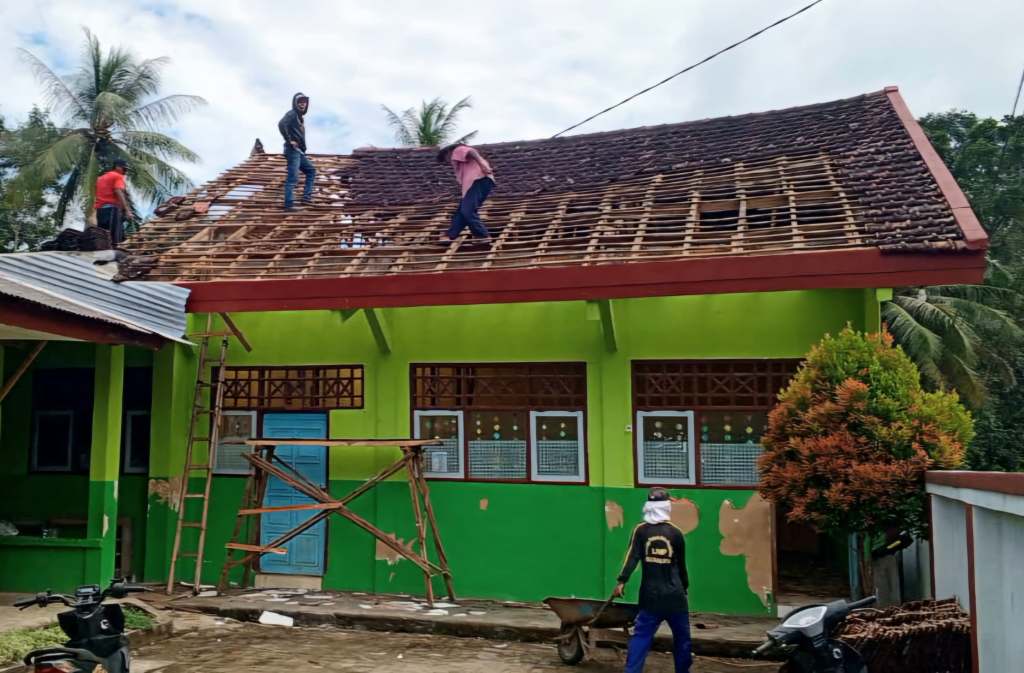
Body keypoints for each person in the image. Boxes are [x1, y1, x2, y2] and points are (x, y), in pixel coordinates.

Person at [614, 487, 692, 673]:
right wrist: (685, 588)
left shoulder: (640, 531)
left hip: (650, 597)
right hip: (676, 597)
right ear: (666, 507)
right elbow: (681, 565)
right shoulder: (676, 533)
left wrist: (621, 581)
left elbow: (631, 557)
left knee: (641, 637)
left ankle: (631, 671)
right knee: (682, 639)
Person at [437, 143, 495, 245]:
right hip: (478, 183)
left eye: (444, 156)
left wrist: (482, 164)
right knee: (462, 211)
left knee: (467, 210)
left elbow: (470, 151)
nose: (446, 160)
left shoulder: (457, 150)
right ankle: (450, 235)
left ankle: (482, 235)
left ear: (447, 152)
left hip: (478, 180)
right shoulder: (459, 162)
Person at [278, 92, 316, 210]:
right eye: (300, 102)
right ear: (295, 103)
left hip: (299, 151)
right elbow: (281, 124)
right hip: (292, 150)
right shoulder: (292, 113)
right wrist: (289, 140)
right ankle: (288, 205)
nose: (302, 104)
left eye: (304, 102)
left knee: (311, 170)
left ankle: (306, 197)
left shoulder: (300, 118)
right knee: (293, 177)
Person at [93, 159, 133, 246]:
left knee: (103, 236)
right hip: (112, 210)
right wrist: (127, 210)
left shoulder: (100, 178)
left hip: (100, 211)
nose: (125, 172)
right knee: (115, 239)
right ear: (117, 167)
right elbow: (118, 191)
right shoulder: (118, 176)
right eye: (124, 169)